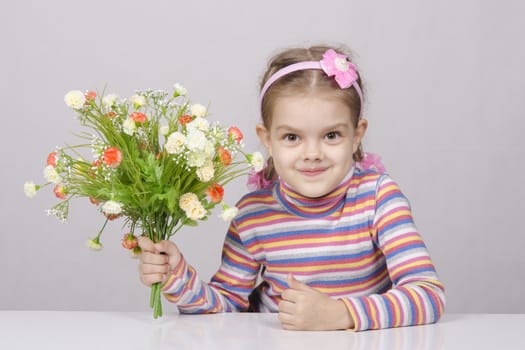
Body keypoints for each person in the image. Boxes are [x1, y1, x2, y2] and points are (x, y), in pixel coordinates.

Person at [138, 44, 445, 331]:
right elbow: (226, 307)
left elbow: (428, 296)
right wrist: (175, 276)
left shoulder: (378, 199)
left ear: (357, 135)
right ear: (267, 139)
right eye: (292, 138)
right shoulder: (254, 214)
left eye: (332, 135)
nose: (312, 153)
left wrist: (341, 314)